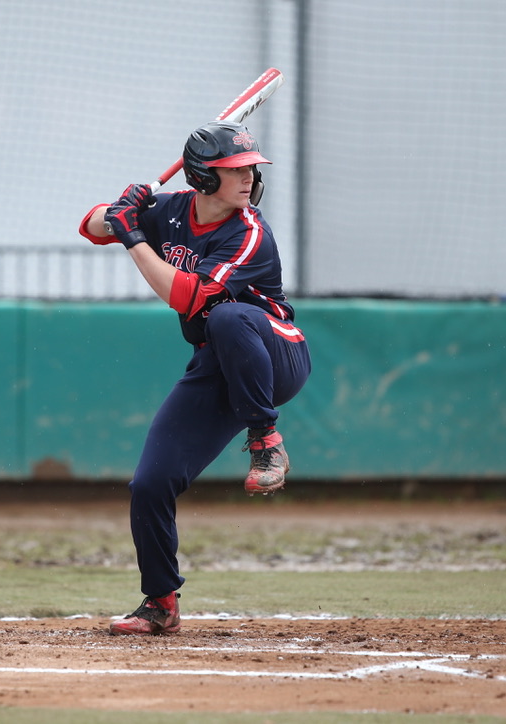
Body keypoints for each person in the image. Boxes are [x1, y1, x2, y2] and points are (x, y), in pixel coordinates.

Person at [79, 121, 312, 635]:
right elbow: (92, 226)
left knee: (226, 316)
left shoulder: (249, 233)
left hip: (275, 355)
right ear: (203, 178)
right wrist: (122, 207)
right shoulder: (171, 211)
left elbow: (185, 297)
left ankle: (266, 439)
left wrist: (133, 236)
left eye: (251, 169)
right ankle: (160, 603)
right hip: (216, 365)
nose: (249, 178)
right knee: (150, 483)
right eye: (235, 170)